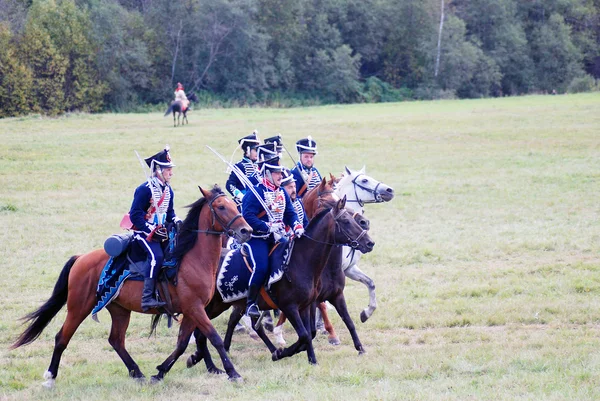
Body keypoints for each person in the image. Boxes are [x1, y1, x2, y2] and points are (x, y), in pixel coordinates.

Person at [242, 143, 304, 317]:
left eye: (281, 173)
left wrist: (297, 225)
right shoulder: (255, 193)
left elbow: (290, 213)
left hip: (279, 237)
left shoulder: (282, 193)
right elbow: (248, 216)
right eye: (277, 173)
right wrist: (267, 227)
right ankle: (251, 303)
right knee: (261, 267)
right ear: (268, 173)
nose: (280, 176)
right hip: (258, 238)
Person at [129, 145, 181, 311]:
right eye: (168, 169)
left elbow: (170, 211)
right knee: (156, 256)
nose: (171, 173)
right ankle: (147, 298)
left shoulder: (168, 190)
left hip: (162, 233)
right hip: (143, 234)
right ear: (158, 170)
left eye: (171, 169)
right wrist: (149, 228)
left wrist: (177, 220)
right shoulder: (144, 189)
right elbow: (135, 214)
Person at [225, 131, 260, 209]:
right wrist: (240, 195)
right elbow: (230, 185)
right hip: (244, 203)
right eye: (255, 150)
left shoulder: (260, 165)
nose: (257, 153)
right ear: (248, 150)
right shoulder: (239, 166)